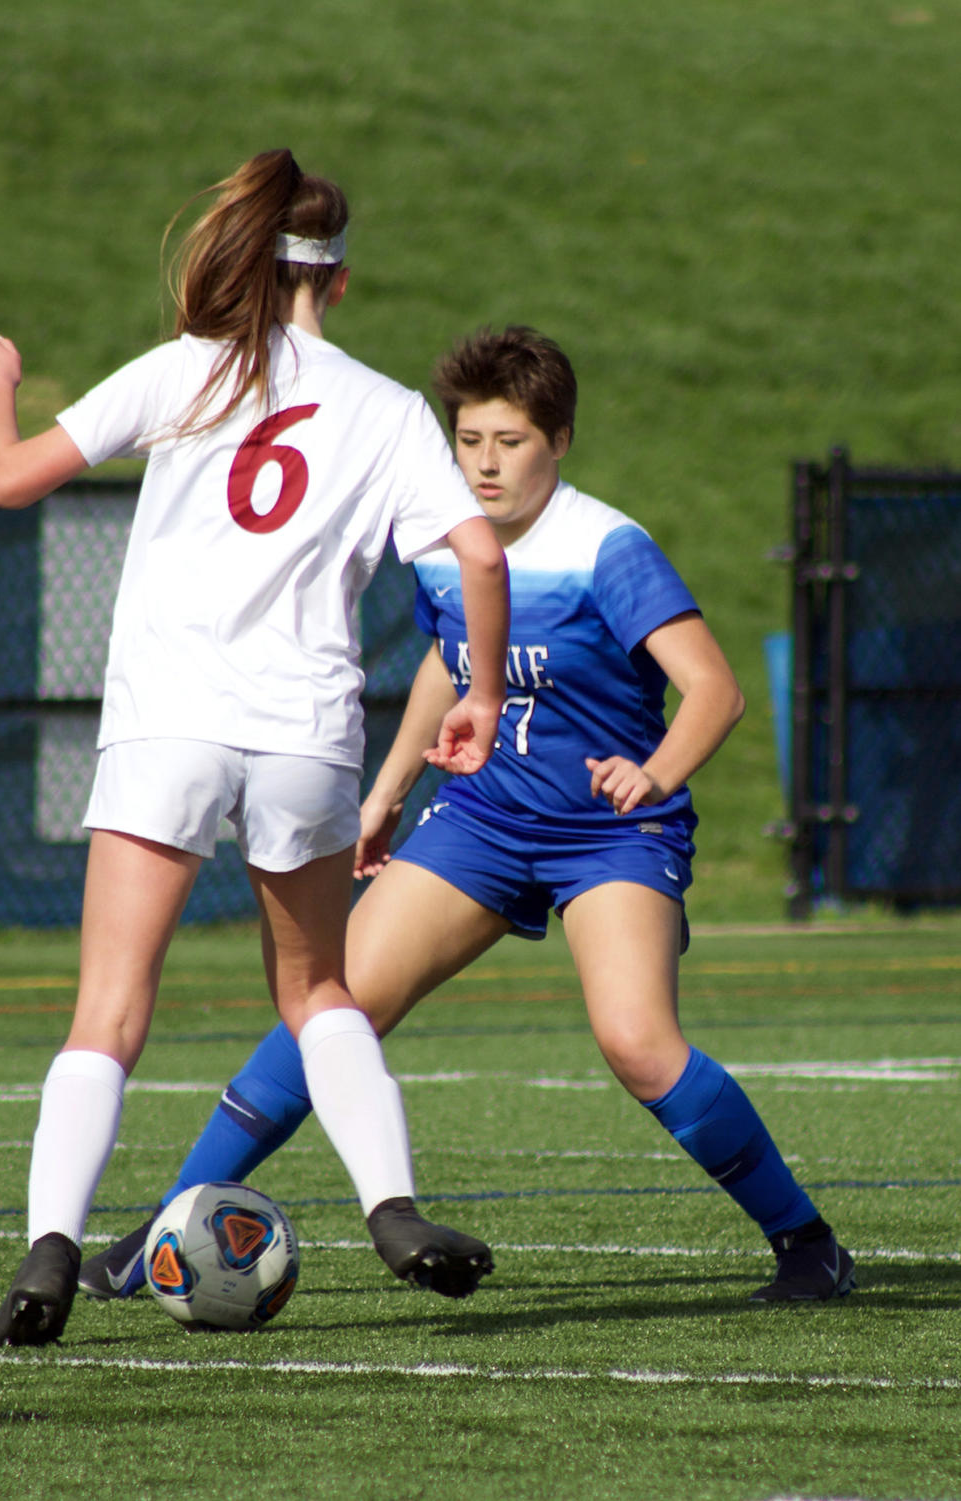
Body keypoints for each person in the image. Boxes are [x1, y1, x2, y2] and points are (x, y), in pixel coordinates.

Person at [79, 325, 856, 1308]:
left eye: (512, 441)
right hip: (484, 819)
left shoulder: (606, 548)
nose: (487, 464)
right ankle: (165, 1222)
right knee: (333, 1006)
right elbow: (452, 662)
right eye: (471, 440)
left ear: (560, 441)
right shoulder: (449, 543)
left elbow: (713, 689)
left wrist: (653, 774)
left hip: (607, 832)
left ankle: (808, 1244)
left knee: (636, 1041)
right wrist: (387, 793)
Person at [0, 150, 511, 1348]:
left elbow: (8, 481)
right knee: (317, 991)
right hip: (306, 731)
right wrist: (475, 689)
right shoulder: (382, 407)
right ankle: (394, 1211)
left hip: (171, 720)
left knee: (108, 1010)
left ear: (246, 259)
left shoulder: (182, 371)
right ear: (342, 282)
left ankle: (52, 1248)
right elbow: (478, 554)